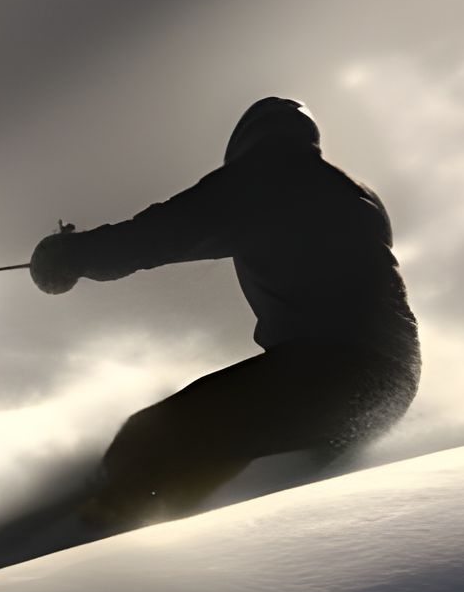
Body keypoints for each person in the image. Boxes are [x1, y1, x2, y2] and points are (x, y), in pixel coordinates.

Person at [30, 97, 419, 527]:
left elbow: (165, 231)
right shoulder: (354, 194)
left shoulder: (268, 178)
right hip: (389, 381)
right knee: (226, 439)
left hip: (335, 370)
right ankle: (160, 517)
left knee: (157, 433)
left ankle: (104, 524)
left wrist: (75, 254)